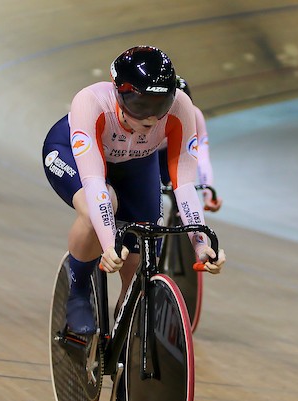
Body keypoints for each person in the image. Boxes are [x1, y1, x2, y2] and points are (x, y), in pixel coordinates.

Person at [42, 45, 226, 335]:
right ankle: (77, 295)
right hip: (73, 157)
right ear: (119, 92)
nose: (151, 118)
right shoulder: (90, 101)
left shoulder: (182, 107)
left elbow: (185, 186)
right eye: (141, 106)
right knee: (100, 208)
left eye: (160, 106)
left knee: (143, 253)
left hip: (136, 164)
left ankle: (125, 329)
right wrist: (109, 244)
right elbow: (93, 183)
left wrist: (201, 244)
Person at [158, 75, 223, 212]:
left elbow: (202, 157)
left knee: (182, 190)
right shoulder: (152, 116)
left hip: (171, 153)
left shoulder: (195, 115)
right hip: (150, 153)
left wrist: (208, 193)